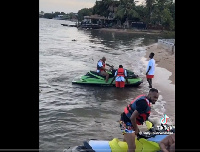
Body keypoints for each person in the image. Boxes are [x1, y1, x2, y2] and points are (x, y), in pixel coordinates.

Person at [119, 88, 159, 152]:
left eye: (157, 98)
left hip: (126, 120)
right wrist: (136, 129)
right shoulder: (143, 104)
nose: (155, 99)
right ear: (149, 94)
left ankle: (121, 148)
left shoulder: (144, 99)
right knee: (132, 147)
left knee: (128, 141)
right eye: (154, 97)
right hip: (126, 123)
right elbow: (132, 117)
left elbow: (141, 115)